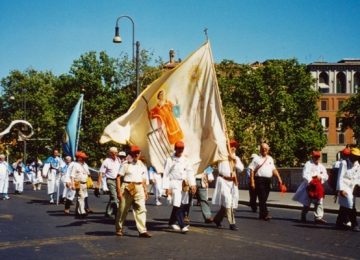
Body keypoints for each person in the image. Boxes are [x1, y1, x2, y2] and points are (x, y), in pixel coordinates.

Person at [115, 145, 152, 238]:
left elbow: (143, 179)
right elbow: (118, 177)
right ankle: (119, 228)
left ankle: (142, 230)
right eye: (134, 153)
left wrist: (145, 191)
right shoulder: (126, 164)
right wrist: (119, 191)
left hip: (139, 187)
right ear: (131, 154)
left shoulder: (141, 164)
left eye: (138, 153)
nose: (136, 154)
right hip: (127, 187)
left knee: (141, 209)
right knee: (123, 209)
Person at [163, 141, 196, 233]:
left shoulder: (185, 160)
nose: (180, 150)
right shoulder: (170, 159)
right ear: (175, 149)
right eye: (179, 148)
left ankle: (171, 222)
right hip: (173, 183)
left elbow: (190, 172)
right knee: (178, 204)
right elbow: (166, 174)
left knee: (181, 204)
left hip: (183, 184)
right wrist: (167, 188)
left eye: (182, 148)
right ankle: (182, 225)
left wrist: (193, 184)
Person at [212, 139, 244, 230]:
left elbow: (241, 169)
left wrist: (234, 160)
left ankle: (217, 219)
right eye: (231, 146)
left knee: (226, 204)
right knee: (227, 200)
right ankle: (232, 223)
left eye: (234, 146)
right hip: (223, 181)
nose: (233, 148)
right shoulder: (222, 157)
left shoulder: (236, 158)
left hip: (232, 182)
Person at [249, 143, 283, 221]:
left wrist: (279, 178)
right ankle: (265, 214)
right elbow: (251, 170)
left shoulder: (270, 158)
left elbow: (273, 169)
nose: (264, 150)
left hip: (268, 181)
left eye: (266, 148)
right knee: (262, 197)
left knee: (264, 198)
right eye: (262, 148)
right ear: (260, 150)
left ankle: (261, 214)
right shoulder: (256, 159)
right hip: (259, 180)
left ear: (268, 150)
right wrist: (252, 182)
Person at [293, 150, 328, 224]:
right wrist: (311, 180)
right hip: (309, 186)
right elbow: (305, 174)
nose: (317, 158)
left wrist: (320, 178)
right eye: (315, 157)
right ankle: (303, 215)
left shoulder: (321, 166)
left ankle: (318, 217)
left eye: (318, 157)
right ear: (312, 157)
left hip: (318, 187)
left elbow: (326, 176)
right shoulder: (308, 164)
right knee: (307, 202)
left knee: (319, 202)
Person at [336, 147, 360, 231]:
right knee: (350, 205)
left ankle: (339, 223)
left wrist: (358, 185)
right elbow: (340, 177)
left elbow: (358, 177)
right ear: (351, 155)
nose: (356, 158)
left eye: (357, 157)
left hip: (352, 187)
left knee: (345, 206)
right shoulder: (344, 163)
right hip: (345, 187)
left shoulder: (357, 165)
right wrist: (341, 189)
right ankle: (354, 224)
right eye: (354, 156)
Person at [98, 147, 122, 219]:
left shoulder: (119, 160)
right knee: (114, 198)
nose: (114, 154)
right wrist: (98, 185)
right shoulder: (106, 161)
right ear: (110, 153)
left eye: (116, 152)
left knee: (113, 197)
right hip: (110, 180)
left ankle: (108, 212)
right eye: (113, 153)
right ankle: (117, 214)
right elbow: (101, 173)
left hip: (118, 180)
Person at [70, 151, 90, 219]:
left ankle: (78, 212)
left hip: (85, 183)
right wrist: (72, 184)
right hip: (78, 183)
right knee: (80, 197)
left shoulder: (85, 165)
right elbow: (72, 175)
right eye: (83, 158)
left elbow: (88, 173)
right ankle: (82, 212)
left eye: (84, 158)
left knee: (83, 197)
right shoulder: (75, 165)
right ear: (79, 158)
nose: (84, 159)